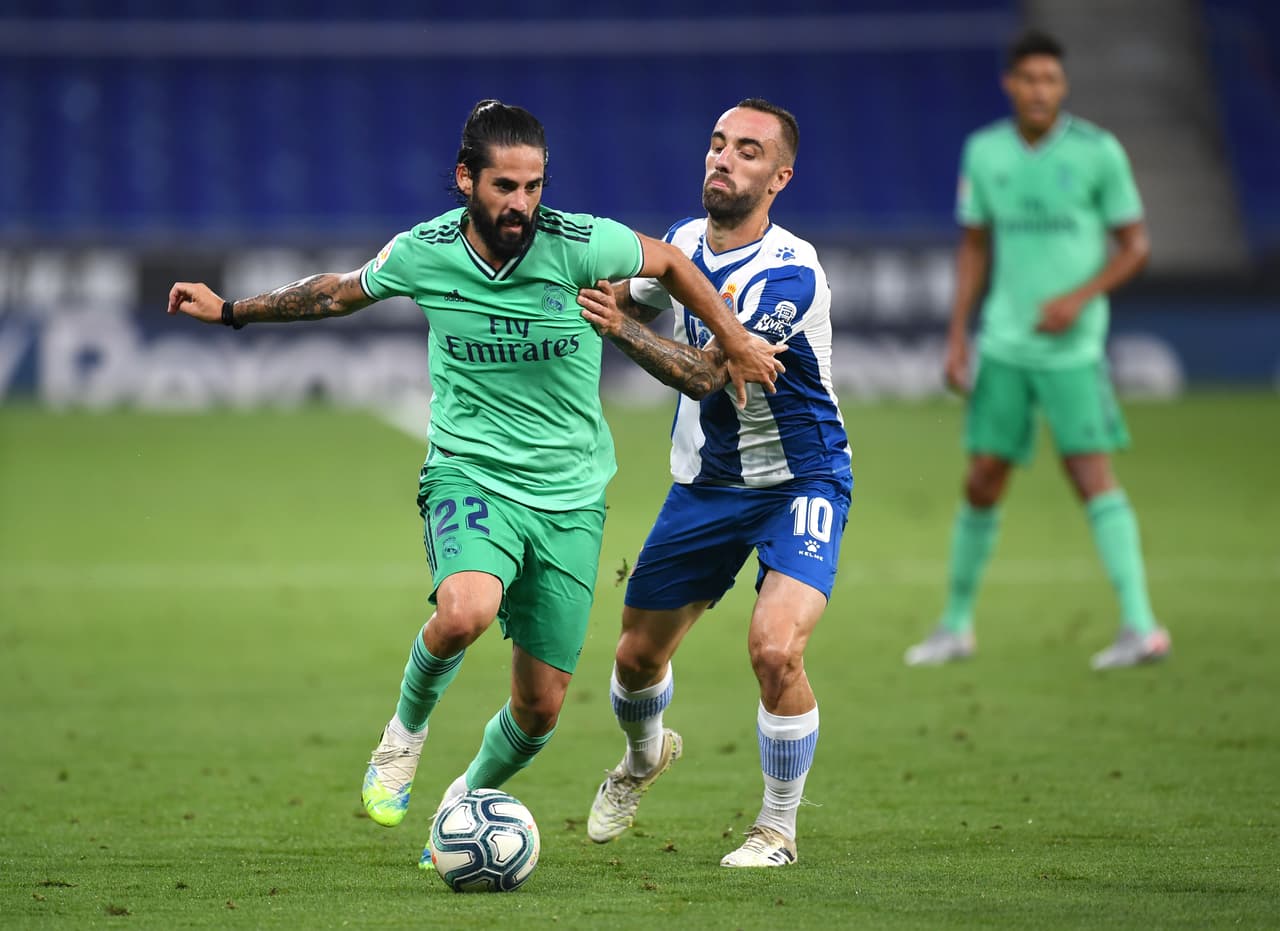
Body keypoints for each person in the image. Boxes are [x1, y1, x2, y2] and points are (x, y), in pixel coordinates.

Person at [165, 99, 785, 868]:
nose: (521, 204)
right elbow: (336, 291)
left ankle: (460, 808)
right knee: (464, 611)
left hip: (570, 495)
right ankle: (402, 737)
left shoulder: (582, 243)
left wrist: (732, 339)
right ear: (466, 180)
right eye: (504, 187)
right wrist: (230, 311)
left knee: (540, 708)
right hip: (472, 472)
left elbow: (673, 264)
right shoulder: (426, 250)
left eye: (533, 187)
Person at [574, 98, 852, 868]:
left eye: (748, 151)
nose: (723, 159)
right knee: (634, 658)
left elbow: (704, 375)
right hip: (705, 485)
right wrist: (576, 303)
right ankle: (641, 758)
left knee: (774, 650)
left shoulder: (789, 274)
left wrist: (616, 326)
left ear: (779, 177)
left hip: (801, 480)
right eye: (718, 144)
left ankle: (777, 829)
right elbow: (622, 297)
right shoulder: (685, 244)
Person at [903, 31, 1171, 671]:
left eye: (1051, 79)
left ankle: (1141, 626)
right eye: (1029, 79)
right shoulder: (986, 152)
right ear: (1011, 84)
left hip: (1073, 351)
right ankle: (956, 626)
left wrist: (1080, 297)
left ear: (1064, 85)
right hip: (1003, 346)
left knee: (1091, 476)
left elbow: (1135, 245)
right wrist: (956, 334)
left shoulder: (1098, 152)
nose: (1040, 90)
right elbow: (974, 247)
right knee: (983, 479)